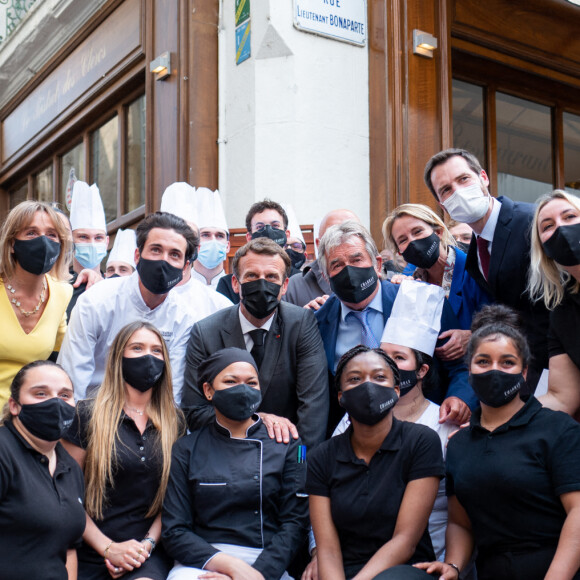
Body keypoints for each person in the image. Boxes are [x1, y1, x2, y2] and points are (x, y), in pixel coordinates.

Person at [415, 304, 580, 580]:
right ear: (468, 370)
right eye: (483, 362)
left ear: (524, 371)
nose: (495, 370)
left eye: (507, 362)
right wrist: (453, 565)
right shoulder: (459, 444)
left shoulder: (558, 429)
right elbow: (460, 522)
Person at [162, 347, 309, 580]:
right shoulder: (186, 448)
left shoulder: (291, 445)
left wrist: (257, 574)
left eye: (251, 383)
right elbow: (174, 531)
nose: (242, 389)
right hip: (203, 562)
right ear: (208, 391)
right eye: (231, 381)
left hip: (268, 564)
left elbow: (295, 522)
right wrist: (231, 567)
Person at [314, 220, 473, 429]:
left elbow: (461, 365)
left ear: (377, 264)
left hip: (425, 429)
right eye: (337, 265)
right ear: (326, 276)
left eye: (357, 259)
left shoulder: (422, 301)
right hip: (353, 437)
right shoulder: (316, 322)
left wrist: (459, 398)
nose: (349, 270)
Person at [58, 211, 228, 403]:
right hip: (92, 411)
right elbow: (72, 380)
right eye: (156, 250)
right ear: (137, 256)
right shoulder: (96, 302)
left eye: (174, 255)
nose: (163, 260)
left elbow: (173, 392)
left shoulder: (183, 316)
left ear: (184, 267)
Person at [306, 345, 444, 579]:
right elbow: (327, 550)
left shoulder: (421, 441)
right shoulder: (322, 457)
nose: (368, 386)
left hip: (404, 570)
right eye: (354, 379)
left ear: (396, 390)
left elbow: (405, 540)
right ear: (341, 397)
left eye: (380, 377)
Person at [62, 321, 184, 580]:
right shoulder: (86, 415)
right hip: (90, 546)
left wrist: (146, 546)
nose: (148, 357)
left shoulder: (176, 421)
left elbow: (175, 498)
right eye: (137, 348)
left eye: (156, 350)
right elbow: (66, 495)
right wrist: (108, 548)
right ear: (119, 357)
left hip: (147, 551)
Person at [182, 237, 329, 448]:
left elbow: (313, 407)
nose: (262, 284)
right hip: (225, 452)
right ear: (235, 283)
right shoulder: (206, 332)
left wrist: (299, 463)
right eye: (251, 276)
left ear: (284, 285)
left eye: (271, 277)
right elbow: (195, 411)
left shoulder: (301, 324)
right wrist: (256, 421)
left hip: (286, 454)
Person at [424, 147, 550, 392]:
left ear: (483, 178)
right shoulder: (474, 254)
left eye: (463, 179)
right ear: (443, 205)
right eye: (447, 189)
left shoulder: (531, 222)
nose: (458, 192)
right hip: (522, 375)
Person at [0, 360, 85, 579]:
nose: (55, 403)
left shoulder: (70, 467)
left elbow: (69, 548)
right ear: (14, 405)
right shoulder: (4, 452)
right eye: (41, 394)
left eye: (65, 395)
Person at [383, 203, 491, 362]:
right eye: (403, 239)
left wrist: (474, 336)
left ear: (438, 232)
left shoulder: (475, 270)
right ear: (400, 251)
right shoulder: (406, 282)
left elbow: (506, 322)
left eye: (418, 231)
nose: (413, 242)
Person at [0, 201, 72, 406]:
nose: (43, 241)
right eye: (31, 233)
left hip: (30, 419)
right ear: (12, 244)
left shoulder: (62, 293)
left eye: (51, 234)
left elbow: (63, 355)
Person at [528, 190, 580, 415]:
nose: (560, 228)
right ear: (544, 250)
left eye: (569, 217)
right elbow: (562, 397)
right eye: (547, 226)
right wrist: (502, 420)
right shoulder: (562, 310)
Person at [217, 199, 295, 303]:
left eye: (275, 226)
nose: (268, 231)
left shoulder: (299, 282)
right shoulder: (227, 284)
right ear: (249, 237)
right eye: (260, 227)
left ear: (286, 235)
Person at [284, 209, 360, 308]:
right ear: (319, 244)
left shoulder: (375, 282)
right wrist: (303, 319)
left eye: (352, 233)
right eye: (334, 235)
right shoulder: (294, 287)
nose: (344, 240)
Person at [67, 181, 108, 317]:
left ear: (106, 242)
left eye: (98, 238)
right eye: (83, 237)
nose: (92, 243)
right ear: (70, 241)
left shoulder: (116, 288)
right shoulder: (60, 289)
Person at [191, 187, 230, 288]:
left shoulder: (236, 290)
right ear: (194, 243)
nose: (213, 241)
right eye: (205, 235)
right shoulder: (178, 289)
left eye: (219, 236)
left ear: (227, 246)